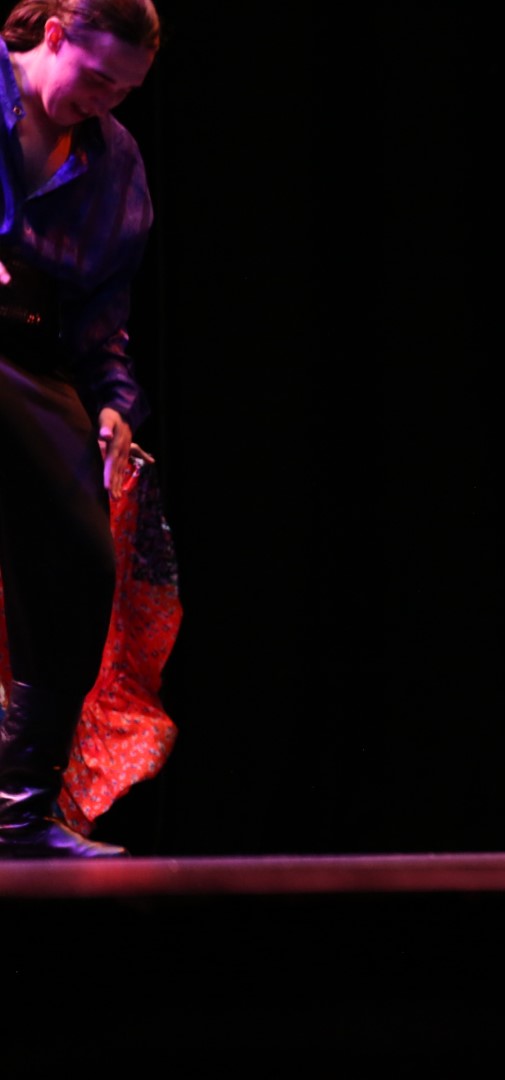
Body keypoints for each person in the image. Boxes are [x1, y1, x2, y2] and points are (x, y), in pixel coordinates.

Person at [0, 0, 162, 858]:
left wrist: (111, 402)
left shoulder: (113, 156)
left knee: (81, 562)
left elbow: (102, 309)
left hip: (29, 356)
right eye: (97, 78)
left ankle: (18, 811)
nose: (105, 100)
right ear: (54, 34)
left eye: (124, 90)